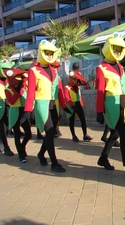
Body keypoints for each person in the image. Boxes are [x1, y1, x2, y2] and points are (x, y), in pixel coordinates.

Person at [21, 39, 70, 172]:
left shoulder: (54, 72)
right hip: (42, 105)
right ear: (41, 53)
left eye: (51, 52)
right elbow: (31, 91)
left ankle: (41, 154)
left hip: (53, 105)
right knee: (49, 131)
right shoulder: (34, 70)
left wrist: (65, 107)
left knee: (51, 132)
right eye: (46, 52)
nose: (49, 55)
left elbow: (58, 90)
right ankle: (54, 163)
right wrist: (27, 110)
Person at [95, 32, 125, 181]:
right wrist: (99, 111)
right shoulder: (101, 68)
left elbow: (124, 87)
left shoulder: (120, 66)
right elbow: (100, 91)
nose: (117, 52)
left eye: (120, 49)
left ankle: (103, 157)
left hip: (122, 103)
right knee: (123, 134)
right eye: (115, 48)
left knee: (116, 134)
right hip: (111, 104)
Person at [5, 68, 32, 163]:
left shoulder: (24, 86)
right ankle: (21, 155)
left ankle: (22, 146)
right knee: (17, 134)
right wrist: (18, 93)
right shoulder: (8, 89)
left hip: (24, 111)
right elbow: (11, 101)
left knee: (28, 133)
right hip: (14, 111)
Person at [64, 63, 92, 142]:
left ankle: (85, 135)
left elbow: (84, 83)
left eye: (76, 79)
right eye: (74, 79)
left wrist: (79, 79)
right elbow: (67, 98)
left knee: (83, 119)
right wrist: (72, 107)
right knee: (72, 120)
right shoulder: (67, 87)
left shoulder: (77, 86)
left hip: (78, 104)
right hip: (71, 105)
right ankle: (73, 135)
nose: (75, 80)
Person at [0, 59, 14, 156]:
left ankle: (1, 142)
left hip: (9, 106)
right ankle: (6, 146)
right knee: (2, 126)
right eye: (4, 69)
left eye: (8, 69)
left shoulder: (10, 80)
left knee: (9, 126)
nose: (6, 71)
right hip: (0, 106)